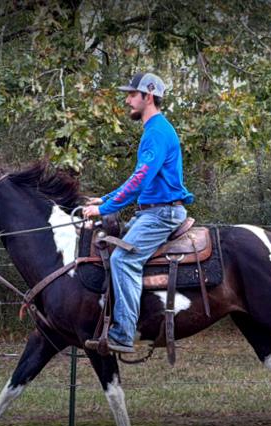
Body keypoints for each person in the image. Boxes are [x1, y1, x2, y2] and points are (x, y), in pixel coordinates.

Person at [83, 73, 194, 353]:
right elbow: (138, 177)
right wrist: (105, 198)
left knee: (123, 260)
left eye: (133, 94)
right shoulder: (154, 130)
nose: (127, 100)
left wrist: (104, 208)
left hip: (161, 215)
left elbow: (140, 180)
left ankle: (123, 333)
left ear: (149, 96)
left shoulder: (157, 132)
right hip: (151, 212)